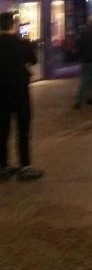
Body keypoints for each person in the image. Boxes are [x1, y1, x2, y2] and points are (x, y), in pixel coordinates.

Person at [0, 12, 42, 181]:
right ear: (13, 26)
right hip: (19, 94)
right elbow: (33, 60)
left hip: (0, 94)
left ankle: (3, 166)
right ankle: (25, 166)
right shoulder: (21, 44)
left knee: (2, 130)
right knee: (23, 130)